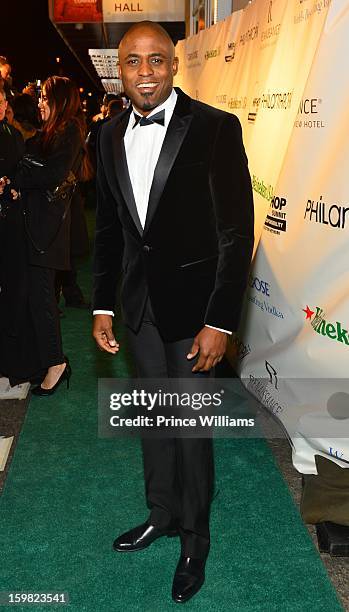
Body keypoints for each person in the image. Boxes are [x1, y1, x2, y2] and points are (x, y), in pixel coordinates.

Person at [92, 21, 254, 603]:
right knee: (152, 420)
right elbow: (110, 232)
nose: (146, 73)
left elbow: (238, 232)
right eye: (133, 62)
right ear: (120, 68)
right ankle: (160, 514)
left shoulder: (215, 128)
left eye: (156, 60)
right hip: (137, 308)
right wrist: (104, 304)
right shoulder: (105, 136)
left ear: (174, 63)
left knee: (190, 429)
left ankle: (195, 538)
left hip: (193, 313)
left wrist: (221, 320)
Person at [0, 76, 91, 392]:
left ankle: (56, 363)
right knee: (36, 298)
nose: (39, 102)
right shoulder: (52, 132)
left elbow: (51, 172)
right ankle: (45, 360)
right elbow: (35, 170)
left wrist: (24, 173)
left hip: (47, 230)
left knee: (42, 299)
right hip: (36, 226)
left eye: (45, 98)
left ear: (59, 101)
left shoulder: (70, 131)